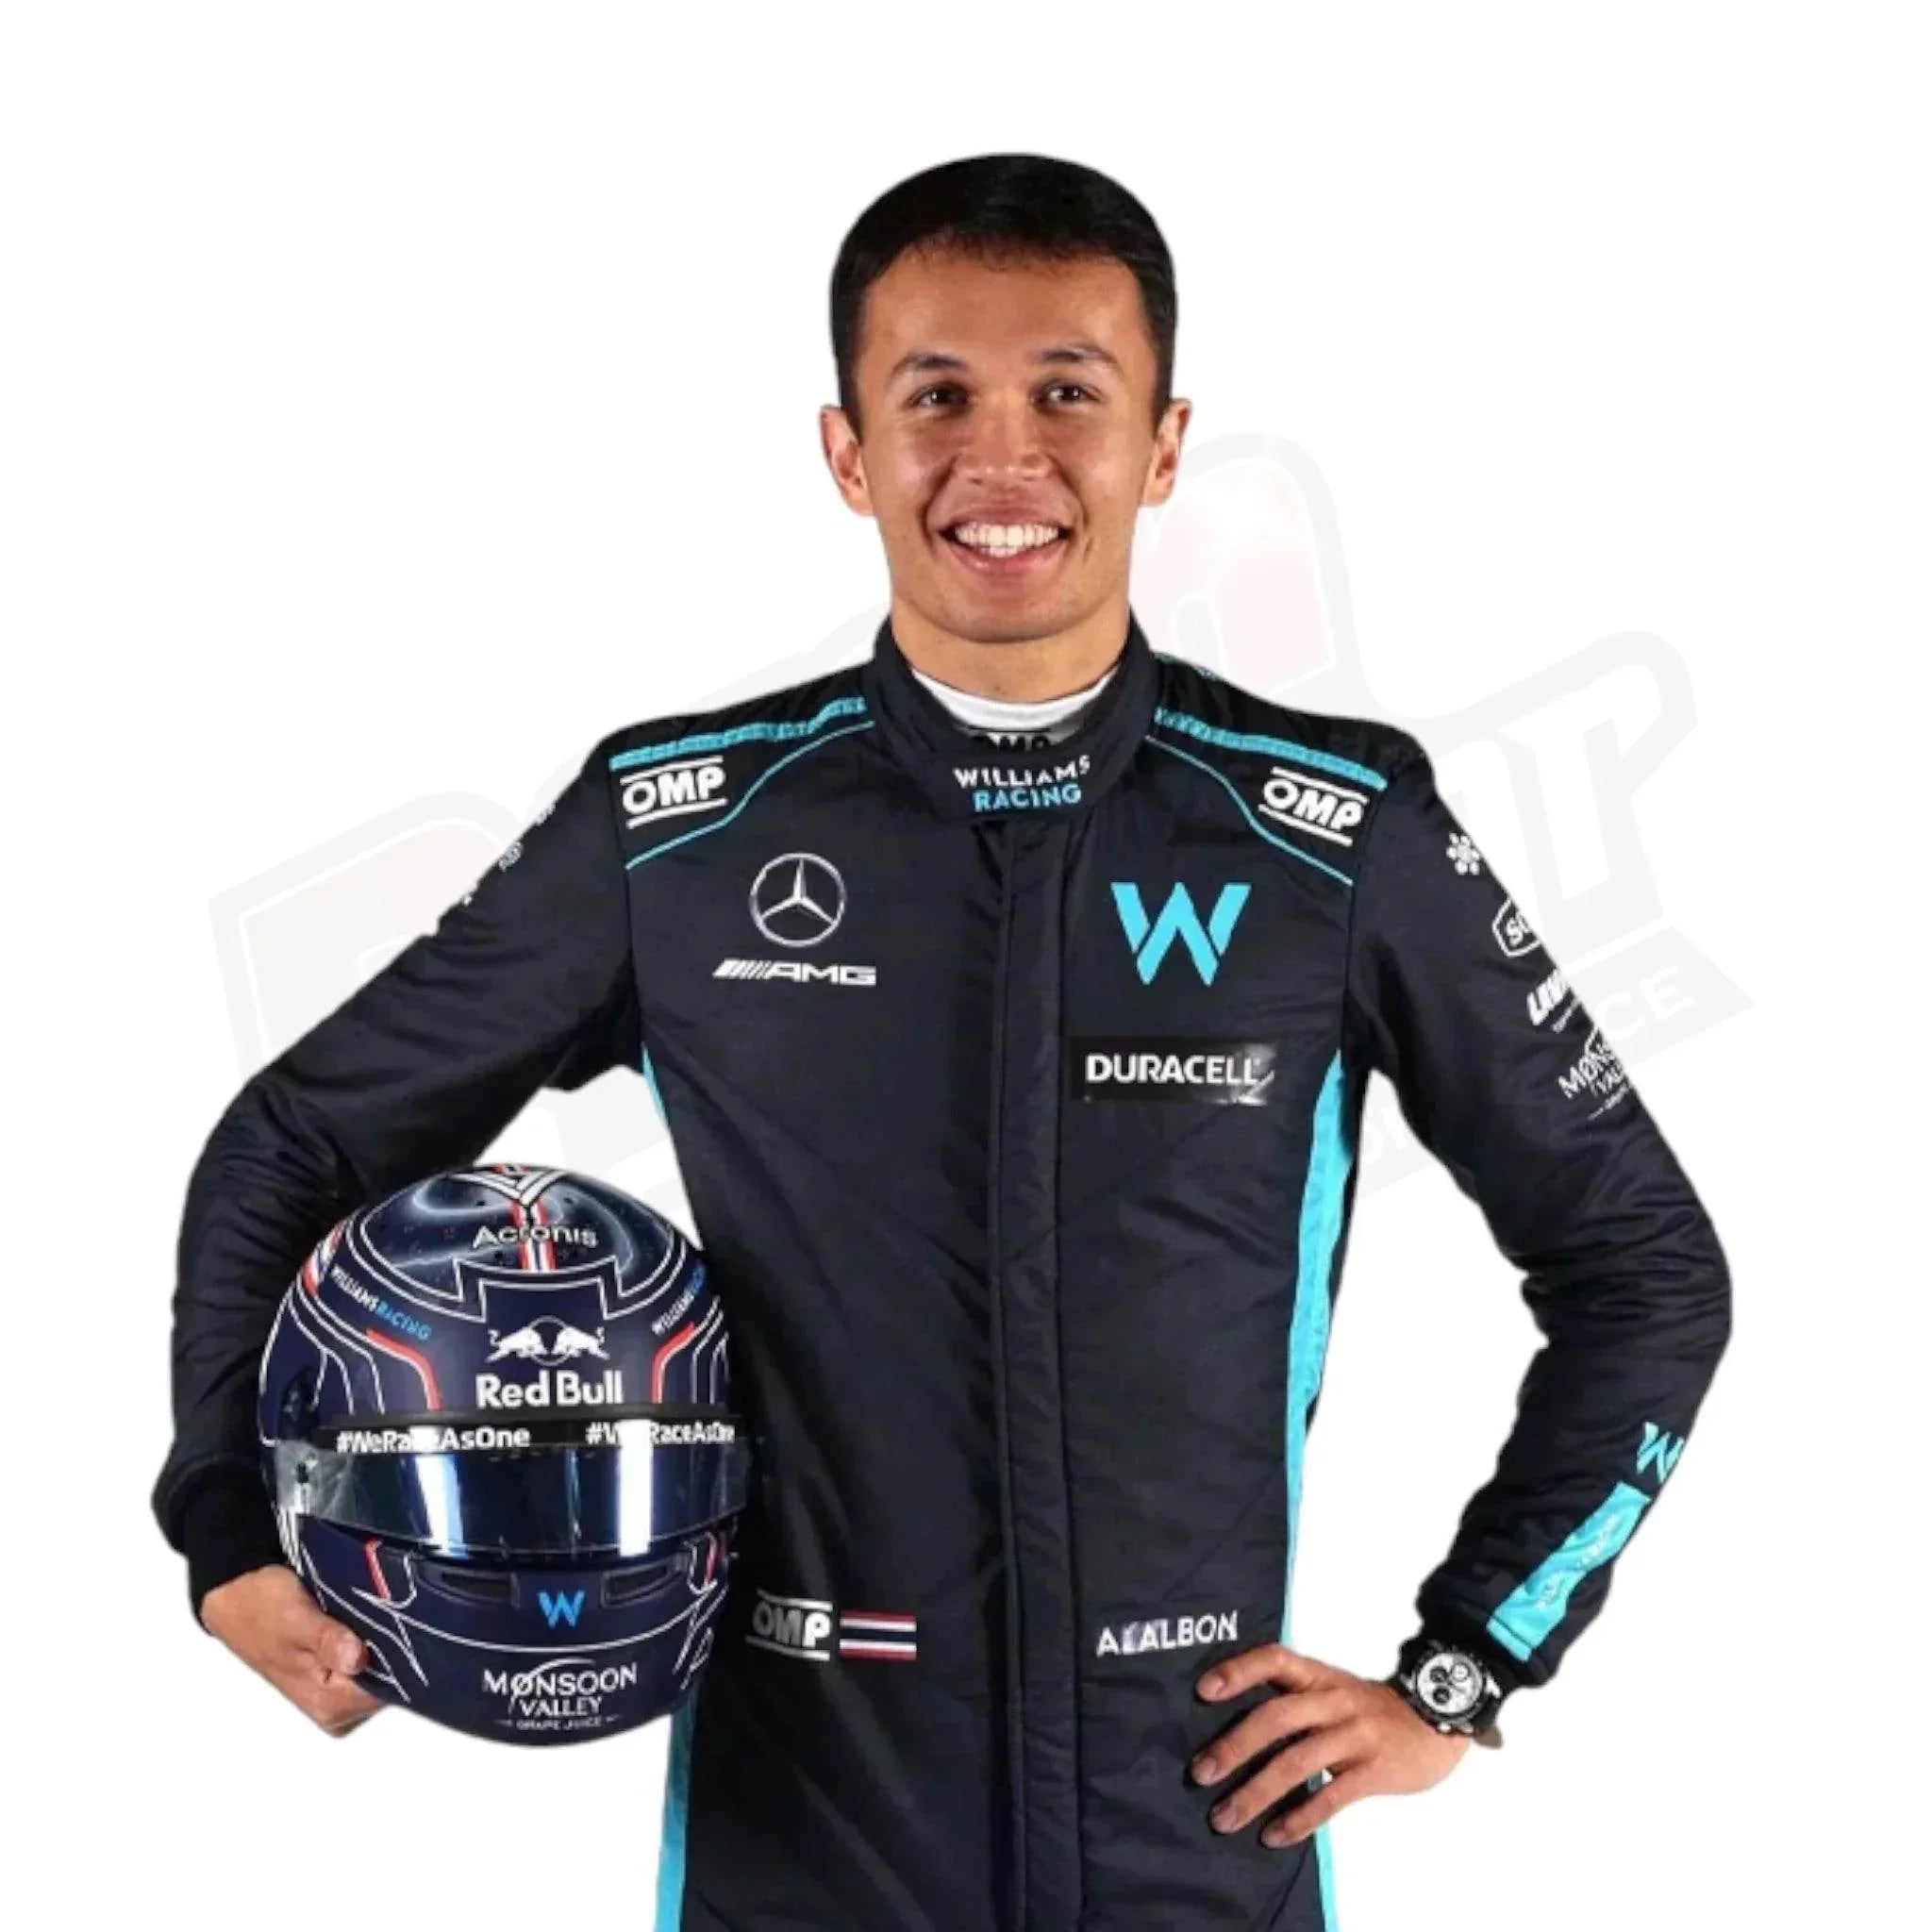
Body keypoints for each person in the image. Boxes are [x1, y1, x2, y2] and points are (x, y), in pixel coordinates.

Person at [156, 154, 1729, 1932]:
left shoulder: (1333, 834)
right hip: (801, 1842)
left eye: (1068, 393)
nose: (1002, 459)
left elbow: (1645, 1266)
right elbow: (298, 1142)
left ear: (1163, 444)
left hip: (1196, 1843)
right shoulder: (679, 831)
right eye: (935, 398)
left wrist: (1463, 1670)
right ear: (848, 452)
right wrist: (225, 1527)